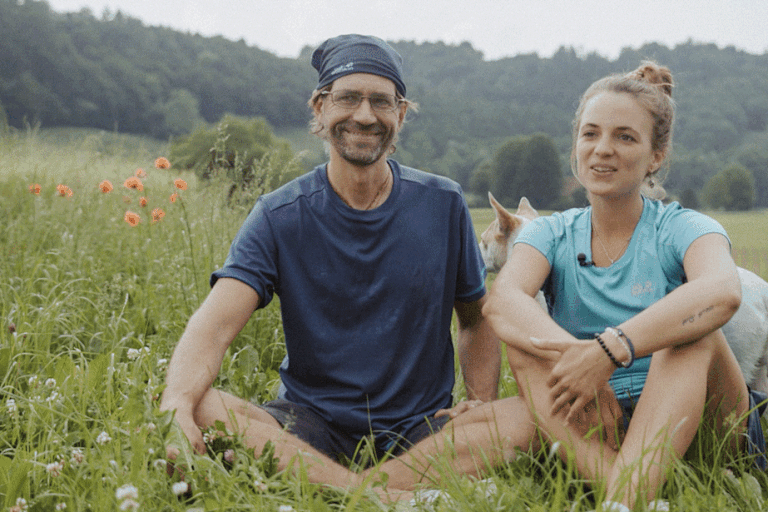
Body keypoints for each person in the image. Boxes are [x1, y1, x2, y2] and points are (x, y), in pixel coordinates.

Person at [160, 34, 534, 497]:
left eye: (381, 101)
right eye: (348, 98)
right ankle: (382, 496)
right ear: (319, 109)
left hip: (421, 431)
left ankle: (336, 491)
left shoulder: (443, 203)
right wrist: (176, 400)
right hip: (309, 428)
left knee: (530, 415)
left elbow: (476, 319)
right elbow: (214, 326)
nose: (364, 115)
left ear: (400, 114)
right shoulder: (280, 215)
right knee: (201, 405)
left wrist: (479, 403)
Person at [484, 61, 767, 511]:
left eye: (625, 137)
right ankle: (624, 489)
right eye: (590, 134)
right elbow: (502, 303)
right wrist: (580, 365)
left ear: (656, 156)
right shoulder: (550, 232)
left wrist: (607, 350)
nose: (602, 150)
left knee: (691, 336)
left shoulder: (684, 225)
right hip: (599, 422)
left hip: (699, 420)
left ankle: (623, 500)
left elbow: (722, 292)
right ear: (575, 146)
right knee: (526, 343)